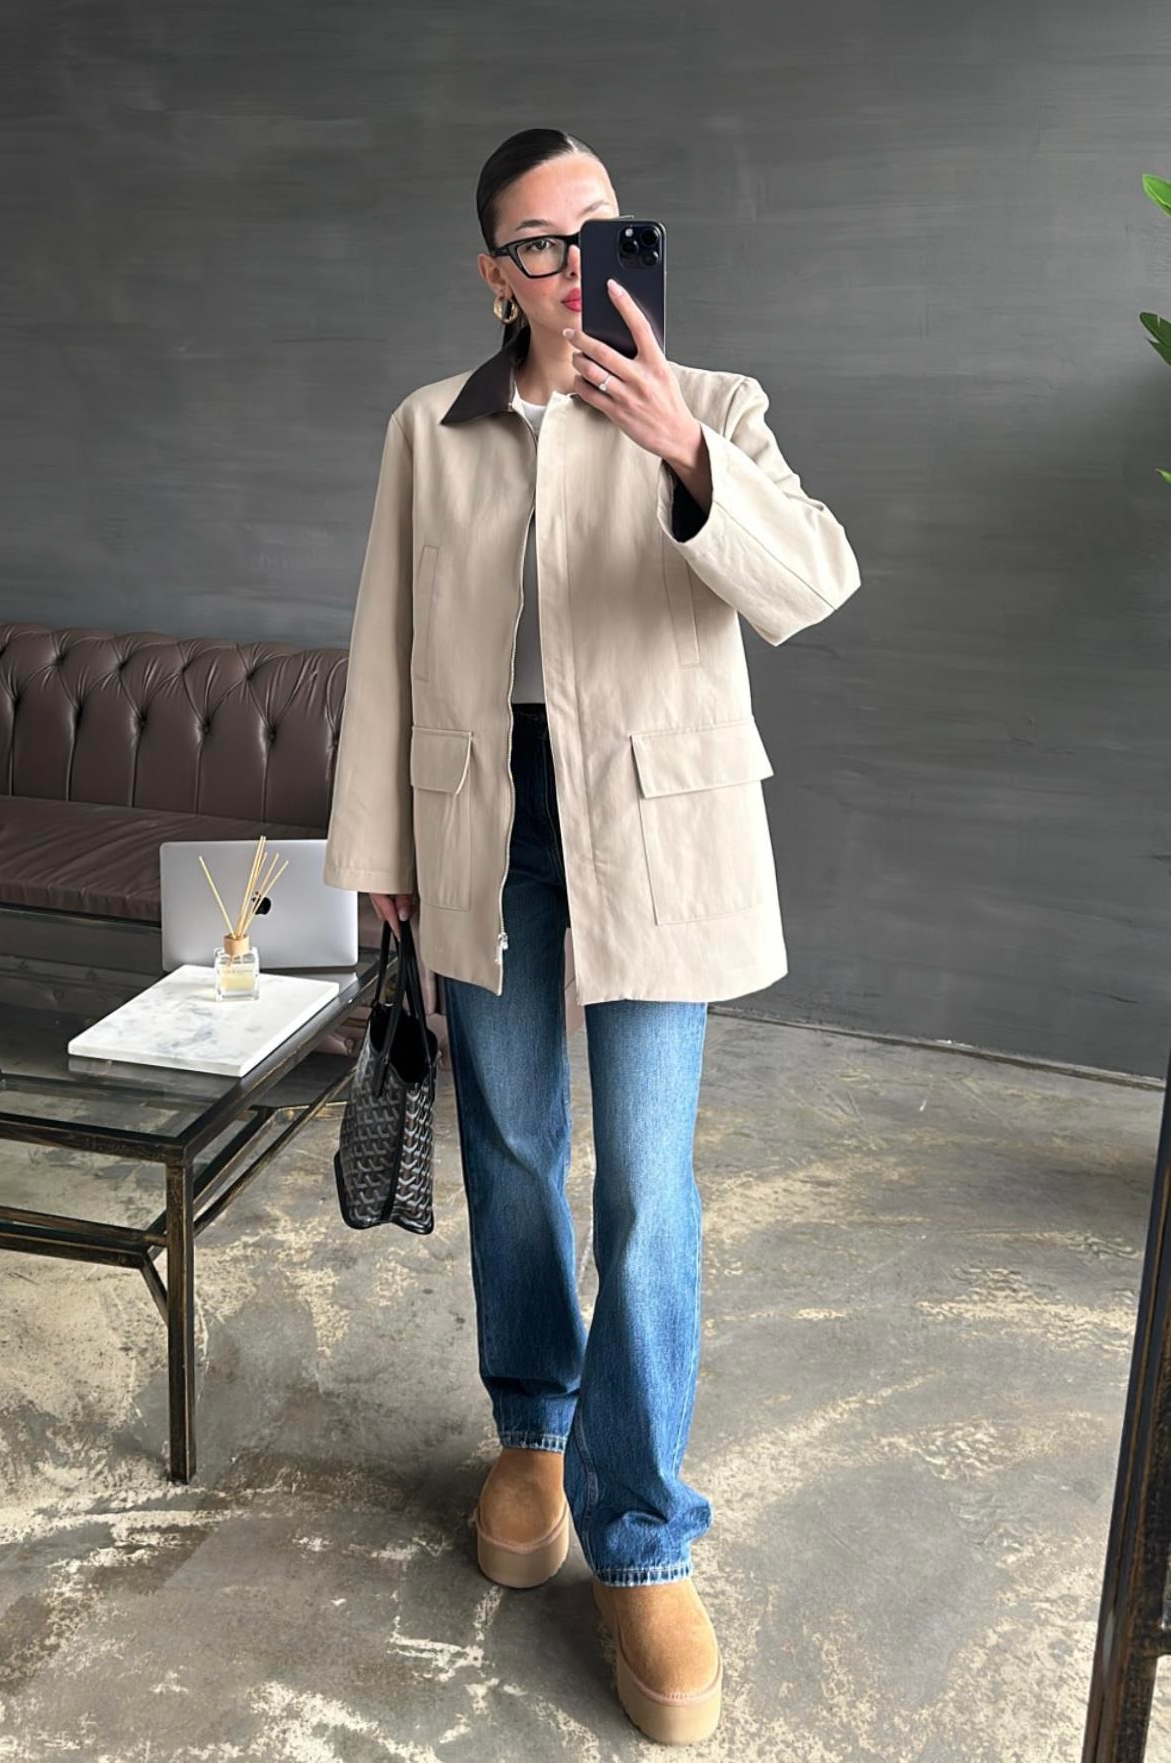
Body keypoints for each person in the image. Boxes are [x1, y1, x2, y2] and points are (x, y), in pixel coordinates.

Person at [323, 127, 862, 1745]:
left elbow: (809, 584)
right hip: (480, 812)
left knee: (643, 1182)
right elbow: (384, 641)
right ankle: (531, 1430)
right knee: (506, 1142)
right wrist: (378, 850)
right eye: (541, 243)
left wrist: (682, 448)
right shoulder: (429, 428)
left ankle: (641, 1534)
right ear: (494, 272)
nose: (575, 264)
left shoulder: (717, 403)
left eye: (602, 228)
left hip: (656, 820)